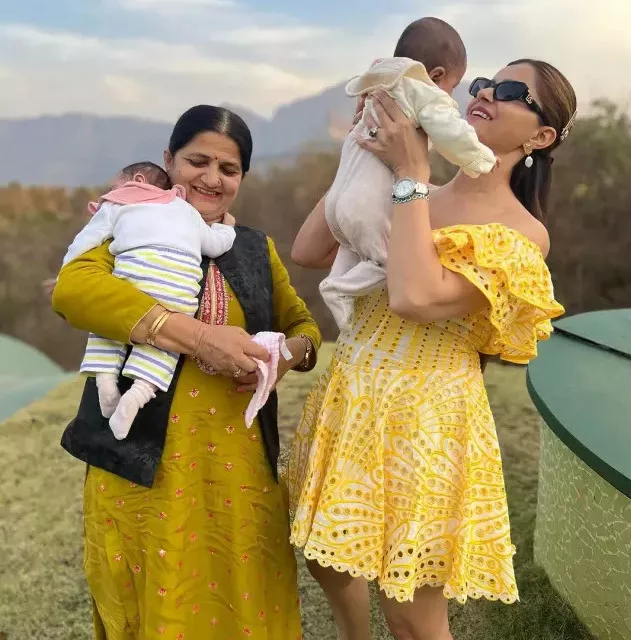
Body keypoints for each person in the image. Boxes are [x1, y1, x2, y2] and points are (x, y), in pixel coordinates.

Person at [286, 58, 575, 640]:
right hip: (352, 396)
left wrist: (410, 171)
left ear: (541, 137)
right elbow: (310, 249)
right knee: (327, 558)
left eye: (511, 91)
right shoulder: (411, 190)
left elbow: (415, 297)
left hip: (426, 424)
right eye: (483, 84)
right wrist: (365, 150)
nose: (486, 93)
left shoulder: (522, 234)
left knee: (412, 616)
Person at [52, 104, 321, 640]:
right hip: (142, 469)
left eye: (229, 169)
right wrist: (199, 337)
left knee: (245, 602)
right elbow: (73, 290)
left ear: (242, 178)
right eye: (198, 161)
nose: (212, 179)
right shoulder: (128, 222)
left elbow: (304, 328)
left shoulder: (254, 248)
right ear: (169, 160)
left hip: (240, 473)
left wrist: (287, 357)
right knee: (160, 605)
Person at [320, 18, 496, 331]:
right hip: (364, 205)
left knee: (353, 247)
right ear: (436, 75)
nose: (452, 95)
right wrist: (478, 159)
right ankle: (339, 288)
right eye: (453, 86)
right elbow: (451, 134)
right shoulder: (423, 91)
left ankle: (336, 278)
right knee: (389, 258)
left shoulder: (379, 85)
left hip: (337, 201)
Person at [60, 161, 236, 439]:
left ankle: (105, 381)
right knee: (166, 345)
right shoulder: (188, 211)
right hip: (177, 291)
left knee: (109, 322)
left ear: (138, 180)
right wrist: (228, 228)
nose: (110, 190)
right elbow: (216, 245)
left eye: (114, 185)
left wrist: (67, 268)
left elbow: (87, 239)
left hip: (134, 282)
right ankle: (138, 394)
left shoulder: (119, 203)